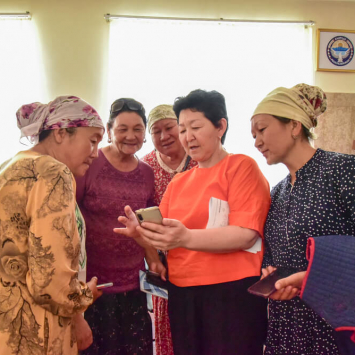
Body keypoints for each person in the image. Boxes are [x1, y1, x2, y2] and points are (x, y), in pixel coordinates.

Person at [116, 89, 271, 355]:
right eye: (183, 129)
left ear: (220, 126)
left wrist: (186, 237)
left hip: (231, 293)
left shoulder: (241, 167)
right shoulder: (179, 181)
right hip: (183, 293)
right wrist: (141, 233)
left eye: (196, 127)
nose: (188, 137)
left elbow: (246, 234)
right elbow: (167, 235)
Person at [251, 83, 355, 354]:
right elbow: (272, 255)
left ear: (295, 126)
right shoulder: (278, 192)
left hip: (336, 323)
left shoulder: (343, 171)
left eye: (262, 129)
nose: (257, 142)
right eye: (253, 135)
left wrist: (310, 277)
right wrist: (270, 274)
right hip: (287, 326)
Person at [0, 95, 105, 355]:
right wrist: (83, 295)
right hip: (37, 329)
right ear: (60, 133)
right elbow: (49, 280)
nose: (95, 153)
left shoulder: (9, 167)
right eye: (92, 141)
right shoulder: (54, 172)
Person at [76, 98, 163, 355]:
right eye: (122, 128)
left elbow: (146, 225)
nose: (130, 135)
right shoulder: (90, 163)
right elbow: (72, 218)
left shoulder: (147, 173)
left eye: (138, 129)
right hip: (93, 287)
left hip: (132, 287)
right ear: (110, 130)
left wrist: (154, 259)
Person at [142, 104, 197, 355]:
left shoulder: (200, 159)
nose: (164, 136)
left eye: (169, 128)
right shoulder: (145, 167)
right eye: (156, 131)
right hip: (163, 263)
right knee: (167, 325)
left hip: (200, 254)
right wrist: (153, 259)